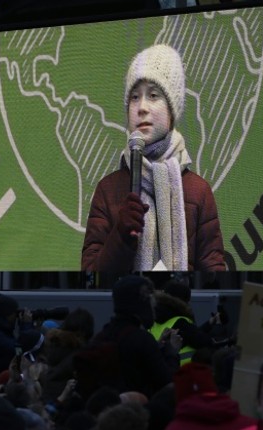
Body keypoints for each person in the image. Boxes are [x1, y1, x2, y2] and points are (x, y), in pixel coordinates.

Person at [81, 44, 225, 273]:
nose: (142, 108)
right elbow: (90, 274)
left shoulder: (198, 191)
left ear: (172, 109)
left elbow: (213, 271)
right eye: (135, 97)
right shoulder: (108, 189)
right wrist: (120, 234)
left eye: (154, 95)